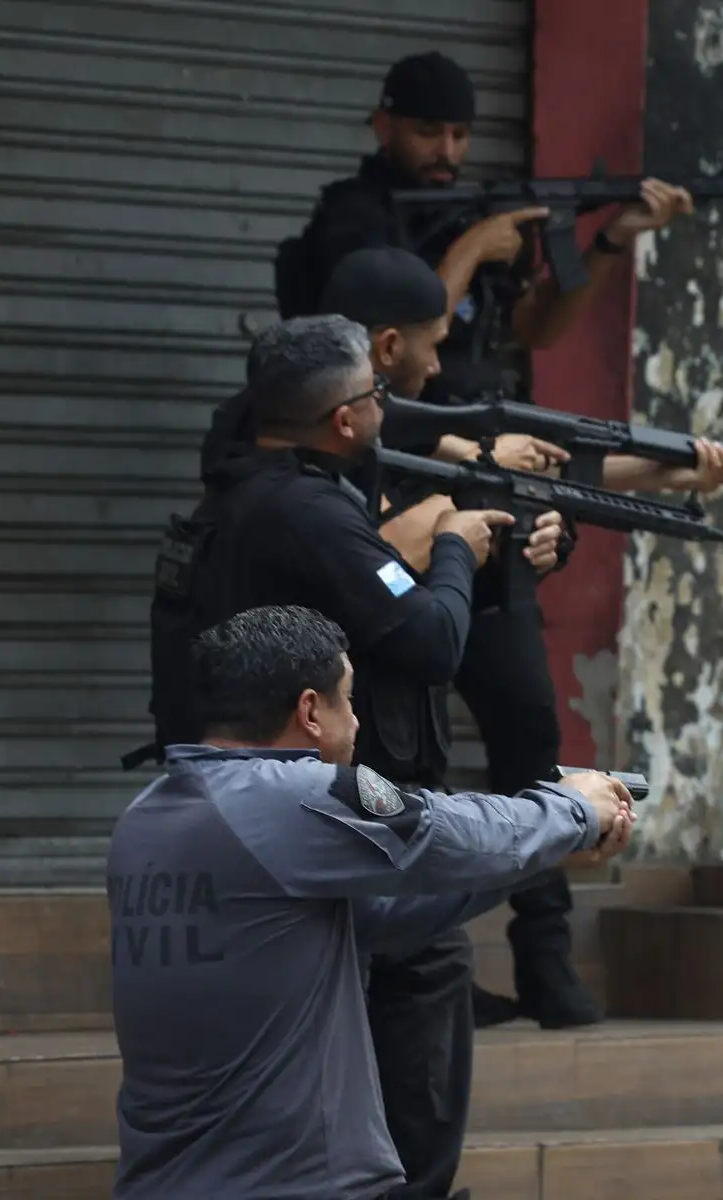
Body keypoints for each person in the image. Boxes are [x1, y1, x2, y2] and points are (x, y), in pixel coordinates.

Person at [278, 53, 723, 1033]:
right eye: (428, 134)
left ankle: (544, 954)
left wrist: (608, 239)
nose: (447, 153)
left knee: (528, 724)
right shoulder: (354, 227)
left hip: (481, 486)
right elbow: (365, 353)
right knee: (396, 738)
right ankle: (409, 960)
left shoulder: (473, 222)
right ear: (383, 126)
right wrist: (468, 253)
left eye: (459, 135)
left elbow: (538, 321)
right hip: (387, 492)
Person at [152, 314, 568, 1200]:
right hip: (329, 817)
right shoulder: (306, 510)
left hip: (257, 815)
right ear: (344, 418)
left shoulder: (250, 487)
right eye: (377, 396)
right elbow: (424, 641)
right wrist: (452, 547)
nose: (390, 406)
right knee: (423, 974)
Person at [110, 604, 635, 1200]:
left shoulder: (147, 816)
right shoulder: (291, 795)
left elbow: (378, 917)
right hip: (290, 1184)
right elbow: (447, 829)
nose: (357, 723)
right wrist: (569, 808)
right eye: (349, 700)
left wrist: (541, 858)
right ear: (310, 711)